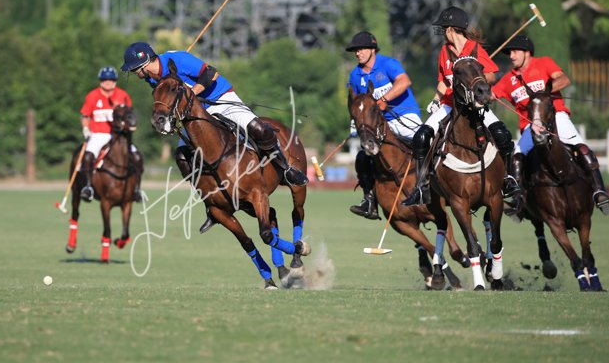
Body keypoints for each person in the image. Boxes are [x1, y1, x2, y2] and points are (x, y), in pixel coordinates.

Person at [121, 41, 308, 233]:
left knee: (258, 128)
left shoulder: (178, 59)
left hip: (219, 99)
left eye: (134, 70)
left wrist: (191, 94)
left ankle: (286, 169)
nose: (134, 74)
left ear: (144, 63)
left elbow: (211, 73)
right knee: (182, 157)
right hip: (195, 113)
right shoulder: (151, 78)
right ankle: (211, 204)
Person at [402, 6, 520, 207]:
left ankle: (509, 179)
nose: (442, 32)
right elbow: (444, 80)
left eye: (444, 28)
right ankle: (422, 187)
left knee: (502, 134)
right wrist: (435, 100)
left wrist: (477, 82)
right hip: (450, 104)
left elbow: (491, 75)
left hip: (474, 105)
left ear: (451, 29)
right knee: (421, 137)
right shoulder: (445, 51)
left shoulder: (474, 49)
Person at [492, 34, 609, 215]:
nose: (511, 56)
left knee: (582, 148)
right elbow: (491, 94)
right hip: (531, 124)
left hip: (556, 116)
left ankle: (599, 191)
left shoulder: (544, 63)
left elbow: (563, 79)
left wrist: (543, 93)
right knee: (517, 157)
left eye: (515, 52)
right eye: (509, 53)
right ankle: (518, 201)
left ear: (527, 52)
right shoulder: (509, 79)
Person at [345, 31, 423, 220]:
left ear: (373, 49)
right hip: (378, 125)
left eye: (361, 49)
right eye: (355, 50)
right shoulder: (355, 75)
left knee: (423, 143)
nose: (357, 53)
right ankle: (369, 200)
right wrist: (355, 122)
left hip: (405, 115)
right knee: (363, 157)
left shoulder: (388, 64)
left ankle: (428, 186)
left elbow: (404, 81)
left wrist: (383, 100)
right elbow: (355, 101)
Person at [78, 66, 143, 203]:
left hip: (119, 136)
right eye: (105, 79)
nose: (108, 82)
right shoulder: (92, 96)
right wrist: (86, 129)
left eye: (111, 79)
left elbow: (129, 116)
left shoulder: (123, 95)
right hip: (99, 134)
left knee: (137, 156)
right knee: (88, 156)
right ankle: (88, 187)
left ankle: (137, 189)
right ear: (100, 81)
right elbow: (85, 115)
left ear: (115, 81)